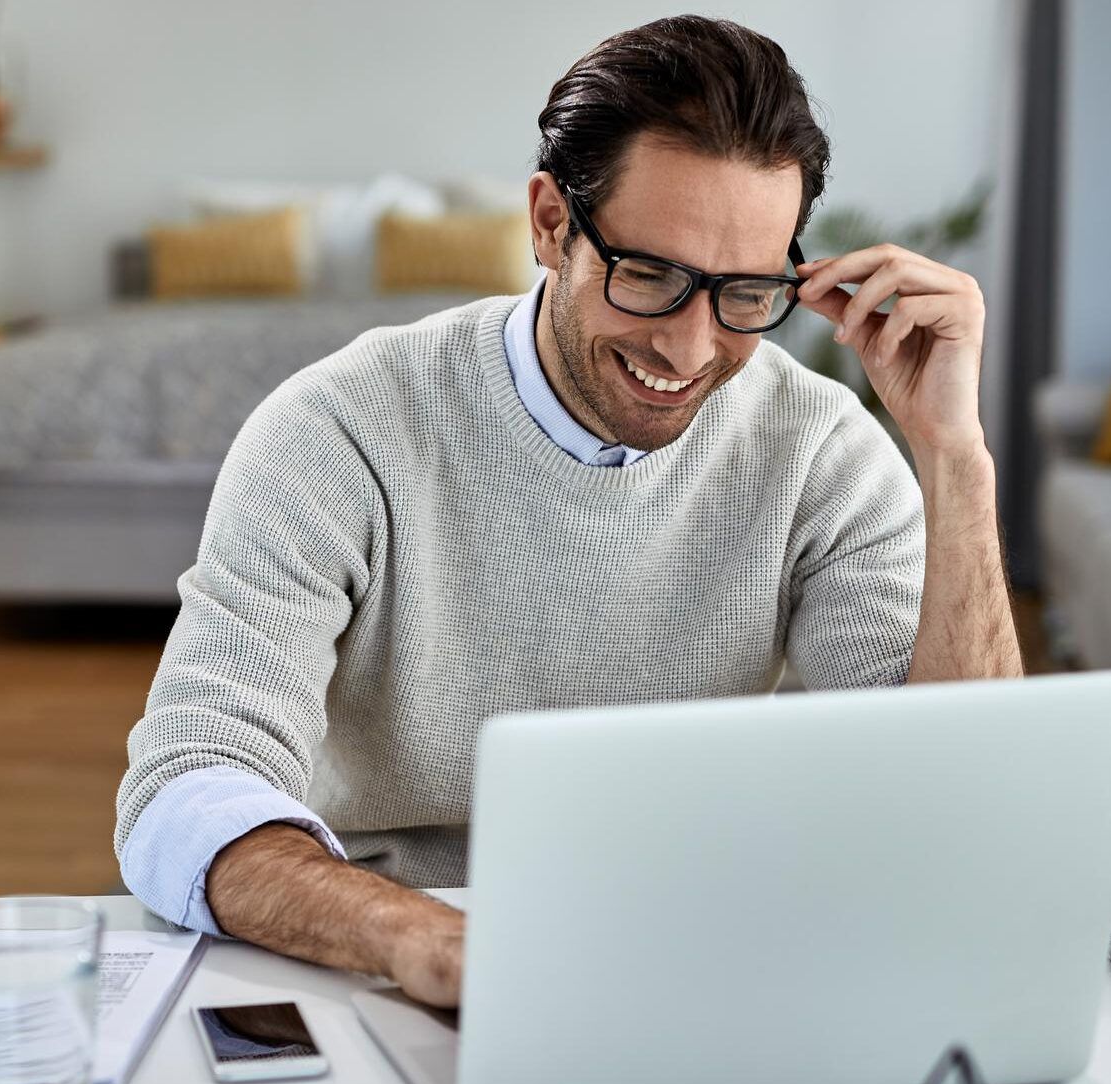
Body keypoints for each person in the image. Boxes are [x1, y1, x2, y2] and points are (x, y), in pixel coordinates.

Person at [113, 14, 1022, 1009]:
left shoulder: (821, 451)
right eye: (650, 276)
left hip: (700, 965)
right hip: (386, 965)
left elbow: (961, 810)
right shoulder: (339, 431)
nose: (688, 348)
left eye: (743, 293)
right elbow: (183, 791)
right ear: (550, 222)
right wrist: (427, 941)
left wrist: (955, 458)